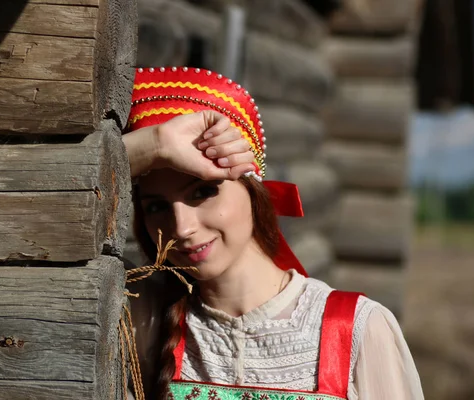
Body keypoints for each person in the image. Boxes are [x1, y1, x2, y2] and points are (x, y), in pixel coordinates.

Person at [122, 66, 424, 400]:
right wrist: (153, 144)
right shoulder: (143, 317)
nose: (182, 227)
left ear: (253, 189)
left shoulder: (356, 330)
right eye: (156, 207)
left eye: (203, 192)